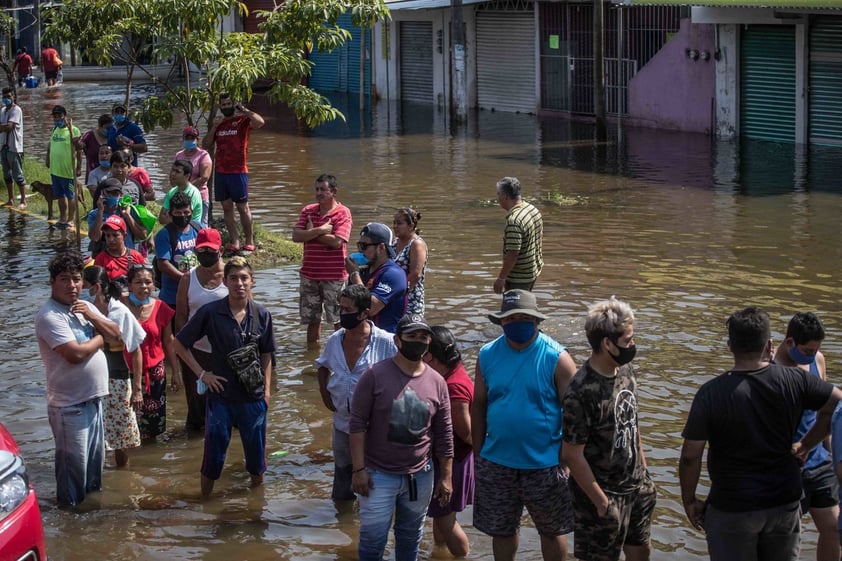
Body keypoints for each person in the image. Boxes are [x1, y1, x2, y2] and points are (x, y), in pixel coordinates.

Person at [679, 306, 842, 561]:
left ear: (730, 345)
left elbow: (691, 455)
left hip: (732, 506)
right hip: (783, 503)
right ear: (769, 345)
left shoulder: (710, 393)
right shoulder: (795, 380)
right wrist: (807, 443)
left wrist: (689, 500)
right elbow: (837, 406)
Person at [471, 289, 577, 561]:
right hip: (497, 462)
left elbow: (576, 414)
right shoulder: (487, 355)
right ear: (501, 321)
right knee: (502, 531)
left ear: (537, 321)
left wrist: (567, 461)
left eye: (524, 317)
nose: (517, 322)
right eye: (511, 317)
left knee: (552, 532)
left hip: (545, 464)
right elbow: (479, 405)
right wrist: (478, 451)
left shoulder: (557, 358)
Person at [349, 313, 454, 561]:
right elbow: (356, 424)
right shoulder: (374, 375)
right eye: (412, 336)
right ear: (398, 341)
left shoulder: (437, 381)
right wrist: (358, 469)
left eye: (423, 337)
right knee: (373, 541)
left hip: (419, 475)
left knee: (409, 539)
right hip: (377, 475)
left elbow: (444, 432)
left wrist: (447, 476)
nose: (418, 341)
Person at [561, 297, 656, 561]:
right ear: (607, 344)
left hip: (637, 488)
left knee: (642, 551)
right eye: (627, 341)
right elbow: (571, 455)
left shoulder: (625, 370)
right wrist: (602, 503)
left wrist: (644, 473)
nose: (632, 346)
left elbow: (632, 422)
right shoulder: (580, 392)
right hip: (602, 497)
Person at [173, 256, 276, 496]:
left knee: (256, 455)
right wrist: (202, 374)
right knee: (213, 454)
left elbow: (267, 354)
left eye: (244, 278)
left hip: (253, 397)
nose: (239, 283)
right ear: (225, 283)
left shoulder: (262, 314)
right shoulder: (211, 312)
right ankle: (205, 502)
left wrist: (267, 391)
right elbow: (179, 344)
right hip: (221, 396)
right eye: (233, 278)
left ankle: (256, 505)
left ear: (253, 281)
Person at [35, 250, 120, 506]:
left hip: (93, 400)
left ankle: (92, 520)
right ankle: (70, 523)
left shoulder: (86, 307)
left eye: (75, 279)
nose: (71, 285)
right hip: (69, 407)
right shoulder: (49, 315)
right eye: (64, 279)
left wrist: (94, 317)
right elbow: (75, 354)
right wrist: (99, 339)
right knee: (72, 476)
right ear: (52, 282)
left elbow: (117, 334)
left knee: (94, 474)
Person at [315, 284, 396, 501]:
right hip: (342, 423)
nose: (342, 314)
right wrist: (325, 394)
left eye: (348, 310)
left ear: (364, 313)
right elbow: (322, 366)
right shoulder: (335, 340)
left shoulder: (386, 342)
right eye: (340, 308)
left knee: (374, 479)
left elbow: (403, 373)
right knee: (343, 476)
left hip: (374, 427)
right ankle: (343, 521)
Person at [773, 312, 838, 561]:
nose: (811, 355)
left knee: (833, 527)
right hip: (788, 464)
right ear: (790, 343)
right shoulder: (769, 368)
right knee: (786, 537)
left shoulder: (817, 361)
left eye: (815, 350)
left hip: (819, 460)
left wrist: (831, 453)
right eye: (807, 350)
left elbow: (826, 411)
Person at [82, 266, 145, 468]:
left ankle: (123, 478)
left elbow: (136, 350)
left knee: (121, 439)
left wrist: (137, 390)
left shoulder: (119, 311)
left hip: (116, 380)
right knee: (95, 433)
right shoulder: (86, 309)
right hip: (92, 380)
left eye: (83, 285)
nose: (78, 290)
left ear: (96, 287)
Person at [424, 325, 474, 558]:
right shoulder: (453, 371)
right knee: (441, 515)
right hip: (453, 459)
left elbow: (466, 433)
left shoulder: (453, 387)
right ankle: (440, 552)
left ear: (430, 356)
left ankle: (462, 556)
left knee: (446, 521)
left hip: (453, 463)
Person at [174, 228, 227, 432]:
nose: (205, 256)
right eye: (201, 251)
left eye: (210, 251)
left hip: (226, 352)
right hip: (196, 352)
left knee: (228, 405)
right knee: (197, 409)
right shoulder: (188, 279)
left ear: (220, 250)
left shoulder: (232, 278)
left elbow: (245, 312)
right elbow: (181, 316)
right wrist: (183, 352)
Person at [292, 174, 352, 347]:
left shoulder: (343, 213)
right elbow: (296, 236)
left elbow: (337, 242)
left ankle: (342, 352)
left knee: (338, 320)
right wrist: (321, 230)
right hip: (309, 275)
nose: (318, 193)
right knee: (312, 320)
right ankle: (312, 354)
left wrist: (312, 233)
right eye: (316, 189)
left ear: (334, 192)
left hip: (334, 276)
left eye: (322, 190)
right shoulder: (308, 210)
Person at [202, 93, 265, 257]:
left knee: (243, 207)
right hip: (221, 171)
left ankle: (249, 242)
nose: (226, 106)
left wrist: (242, 109)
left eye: (229, 103)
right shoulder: (220, 124)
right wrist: (214, 127)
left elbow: (260, 122)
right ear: (220, 107)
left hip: (238, 171)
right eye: (223, 105)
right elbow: (206, 144)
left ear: (234, 104)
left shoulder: (242, 121)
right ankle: (235, 241)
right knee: (227, 207)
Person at [124, 263, 180, 442]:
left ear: (154, 284)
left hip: (155, 374)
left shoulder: (161, 307)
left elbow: (168, 341)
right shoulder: (119, 307)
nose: (144, 287)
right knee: (126, 424)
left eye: (148, 282)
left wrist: (176, 373)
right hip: (126, 373)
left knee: (153, 426)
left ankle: (149, 461)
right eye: (138, 282)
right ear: (129, 284)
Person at [345, 222, 407, 333]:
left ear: (381, 247)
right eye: (359, 245)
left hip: (387, 339)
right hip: (365, 336)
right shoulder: (364, 271)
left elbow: (371, 308)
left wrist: (354, 275)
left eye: (364, 246)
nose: (360, 251)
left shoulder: (394, 274)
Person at [492, 176, 543, 294]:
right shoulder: (532, 209)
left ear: (505, 196)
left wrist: (501, 278)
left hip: (519, 277)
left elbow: (513, 254)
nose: (498, 198)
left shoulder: (514, 221)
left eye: (498, 194)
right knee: (524, 308)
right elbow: (540, 236)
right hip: (533, 270)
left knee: (514, 310)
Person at [154, 191, 200, 308]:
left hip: (196, 293)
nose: (183, 216)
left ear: (192, 212)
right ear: (170, 214)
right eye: (178, 213)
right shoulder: (164, 234)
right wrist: (186, 280)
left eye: (186, 212)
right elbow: (163, 264)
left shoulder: (198, 228)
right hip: (172, 296)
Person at [45, 105, 83, 230]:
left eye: (59, 116)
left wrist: (78, 168)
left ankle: (71, 220)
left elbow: (79, 151)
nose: (57, 119)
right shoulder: (54, 129)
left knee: (71, 195)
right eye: (55, 117)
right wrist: (47, 158)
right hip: (55, 171)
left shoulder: (74, 130)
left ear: (64, 116)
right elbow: (50, 146)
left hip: (68, 171)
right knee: (60, 196)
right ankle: (62, 218)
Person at [87, 178, 146, 254]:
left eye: (115, 193)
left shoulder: (130, 211)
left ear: (120, 195)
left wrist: (127, 216)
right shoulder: (94, 214)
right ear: (102, 193)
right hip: (105, 257)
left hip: (127, 257)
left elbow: (143, 236)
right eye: (109, 193)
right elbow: (95, 237)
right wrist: (100, 212)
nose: (112, 196)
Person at [174, 125, 212, 225]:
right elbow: (174, 174)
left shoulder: (204, 155)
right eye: (187, 138)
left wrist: (187, 188)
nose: (190, 140)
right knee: (181, 224)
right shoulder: (179, 155)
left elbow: (205, 177)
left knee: (200, 226)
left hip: (199, 196)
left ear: (197, 139)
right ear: (183, 139)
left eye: (192, 138)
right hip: (181, 196)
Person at [93, 215, 146, 286]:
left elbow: (145, 282)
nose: (111, 239)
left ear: (124, 236)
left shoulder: (136, 256)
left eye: (115, 235)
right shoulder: (100, 259)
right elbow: (97, 287)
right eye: (108, 235)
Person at [392, 207, 427, 315]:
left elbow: (415, 275)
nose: (395, 226)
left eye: (399, 223)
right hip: (393, 296)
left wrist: (396, 293)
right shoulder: (395, 242)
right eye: (394, 223)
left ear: (411, 225)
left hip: (409, 299)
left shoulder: (416, 244)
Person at [0, 87, 27, 208]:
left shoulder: (17, 110)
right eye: (4, 97)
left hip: (14, 146)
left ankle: (23, 200)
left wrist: (2, 127)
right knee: (6, 174)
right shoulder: (3, 110)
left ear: (13, 97)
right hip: (3, 146)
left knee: (18, 174)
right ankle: (10, 199)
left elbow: (9, 127)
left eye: (8, 97)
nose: (6, 99)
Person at [158, 160, 202, 226]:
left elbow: (184, 220)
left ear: (187, 176)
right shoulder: (172, 192)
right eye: (173, 170)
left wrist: (170, 217)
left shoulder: (193, 193)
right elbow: (161, 218)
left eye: (177, 172)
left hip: (191, 230)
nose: (173, 174)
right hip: (174, 229)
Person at [79, 114, 114, 182]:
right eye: (107, 128)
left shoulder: (113, 136)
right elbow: (80, 146)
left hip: (109, 175)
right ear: (100, 126)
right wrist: (76, 143)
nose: (109, 130)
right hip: (92, 175)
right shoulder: (89, 135)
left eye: (111, 128)